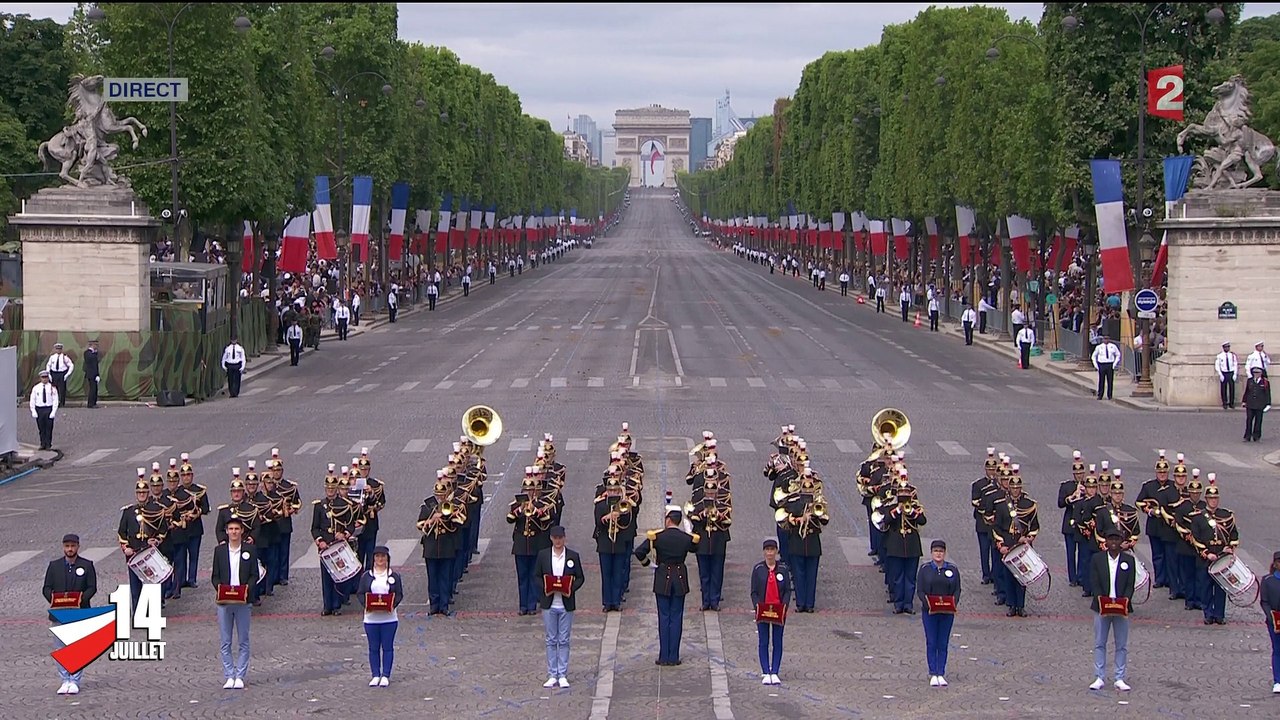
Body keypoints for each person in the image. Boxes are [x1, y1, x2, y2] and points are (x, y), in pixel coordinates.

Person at [634, 508, 699, 666]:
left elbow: (639, 552)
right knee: (676, 617)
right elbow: (695, 548)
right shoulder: (686, 538)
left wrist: (649, 564)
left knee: (664, 617)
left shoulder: (657, 537)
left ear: (668, 520)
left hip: (663, 576)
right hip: (680, 577)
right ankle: (674, 656)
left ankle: (664, 656)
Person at [43, 533, 97, 695]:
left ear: (78, 547)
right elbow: (46, 587)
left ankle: (75, 680)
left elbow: (92, 587)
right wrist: (54, 600)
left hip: (79, 612)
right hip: (59, 613)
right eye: (67, 546)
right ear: (63, 547)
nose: (70, 549)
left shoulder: (87, 565)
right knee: (61, 649)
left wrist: (79, 600)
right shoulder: (54, 566)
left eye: (73, 546)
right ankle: (64, 679)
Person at [534, 525, 585, 688]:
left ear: (564, 538)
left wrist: (569, 588)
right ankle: (552, 674)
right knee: (550, 639)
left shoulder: (573, 556)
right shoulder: (543, 555)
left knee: (563, 639)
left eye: (560, 538)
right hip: (549, 604)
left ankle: (562, 673)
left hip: (565, 604)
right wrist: (546, 588)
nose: (558, 541)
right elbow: (536, 576)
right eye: (555, 538)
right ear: (551, 539)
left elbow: (580, 578)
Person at [211, 516, 258, 689]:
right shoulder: (220, 551)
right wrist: (221, 589)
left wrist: (246, 590)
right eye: (231, 529)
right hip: (224, 601)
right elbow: (214, 576)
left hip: (243, 601)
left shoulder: (250, 550)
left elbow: (255, 574)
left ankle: (240, 675)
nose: (234, 532)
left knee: (243, 640)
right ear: (227, 532)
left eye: (236, 529)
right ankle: (229, 674)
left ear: (242, 531)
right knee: (225, 641)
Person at [1089, 531, 1136, 692]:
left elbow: (1130, 583)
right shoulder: (1097, 559)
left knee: (1121, 644)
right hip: (1102, 606)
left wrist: (1126, 599)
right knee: (1100, 642)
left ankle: (1119, 677)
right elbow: (1094, 582)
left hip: (1121, 607)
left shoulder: (1129, 560)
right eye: (1111, 539)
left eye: (1117, 539)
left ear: (1122, 542)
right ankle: (1099, 676)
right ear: (1106, 542)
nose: (1114, 542)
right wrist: (1101, 599)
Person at [357, 546, 404, 687]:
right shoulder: (367, 576)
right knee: (373, 647)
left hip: (389, 618)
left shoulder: (394, 576)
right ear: (374, 559)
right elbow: (360, 593)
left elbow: (399, 594)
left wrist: (391, 605)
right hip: (371, 618)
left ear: (387, 559)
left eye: (383, 557)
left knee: (388, 647)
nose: (380, 560)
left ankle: (386, 675)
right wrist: (367, 605)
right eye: (377, 557)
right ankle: (375, 674)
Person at [916, 539, 960, 687]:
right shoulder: (925, 569)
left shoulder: (952, 569)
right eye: (936, 551)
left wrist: (953, 603)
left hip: (947, 612)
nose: (938, 554)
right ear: (931, 553)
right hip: (930, 612)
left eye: (941, 551)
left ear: (945, 553)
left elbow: (957, 590)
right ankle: (932, 671)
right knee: (932, 641)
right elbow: (920, 590)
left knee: (943, 642)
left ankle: (941, 672)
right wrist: (928, 604)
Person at [751, 538, 792, 686]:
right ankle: (765, 670)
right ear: (764, 552)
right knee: (763, 641)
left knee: (777, 641)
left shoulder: (783, 569)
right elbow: (754, 591)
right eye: (767, 550)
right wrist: (757, 606)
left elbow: (787, 590)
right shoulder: (758, 570)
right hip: (763, 610)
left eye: (772, 550)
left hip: (778, 610)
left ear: (776, 552)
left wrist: (785, 606)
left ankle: (774, 670)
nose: (769, 553)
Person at [1260, 550, 1280, 694]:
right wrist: (1272, 617)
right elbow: (1264, 602)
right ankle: (1278, 680)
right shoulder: (1268, 580)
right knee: (1278, 650)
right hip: (1275, 620)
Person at [30, 370, 59, 450]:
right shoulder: (36, 388)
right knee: (41, 428)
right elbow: (33, 399)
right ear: (40, 378)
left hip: (48, 408)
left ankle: (48, 444)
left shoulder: (52, 388)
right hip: (39, 409)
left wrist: (53, 411)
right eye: (43, 377)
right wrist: (33, 410)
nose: (44, 379)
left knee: (49, 427)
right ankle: (42, 443)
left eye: (46, 377)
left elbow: (55, 400)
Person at [1243, 366, 1271, 442]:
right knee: (1249, 420)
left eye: (1258, 373)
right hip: (1250, 403)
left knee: (1258, 421)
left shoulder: (1265, 382)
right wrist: (1244, 401)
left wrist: (1268, 403)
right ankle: (1247, 436)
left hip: (1260, 404)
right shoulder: (1250, 381)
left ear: (1261, 373)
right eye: (1254, 372)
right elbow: (1247, 391)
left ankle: (1256, 436)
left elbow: (1267, 393)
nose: (1256, 374)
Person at [1092, 333, 1122, 400]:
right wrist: (1096, 365)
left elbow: (1118, 355)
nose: (1106, 340)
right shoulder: (1099, 347)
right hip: (1102, 364)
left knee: (1110, 381)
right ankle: (1100, 395)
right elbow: (1094, 356)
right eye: (1105, 338)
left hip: (1110, 364)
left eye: (1107, 338)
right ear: (1103, 339)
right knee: (1101, 380)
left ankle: (1110, 395)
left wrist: (1114, 364)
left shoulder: (1113, 346)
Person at [45, 342, 73, 407]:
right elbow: (48, 365)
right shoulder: (52, 357)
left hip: (61, 373)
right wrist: (48, 374)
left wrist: (67, 374)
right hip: (54, 373)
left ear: (61, 349)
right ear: (55, 349)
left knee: (62, 389)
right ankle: (54, 402)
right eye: (57, 349)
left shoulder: (64, 357)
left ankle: (62, 402)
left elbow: (71, 365)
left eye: (59, 349)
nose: (58, 350)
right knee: (54, 389)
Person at [1216, 341, 1239, 409]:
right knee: (1223, 389)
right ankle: (1224, 402)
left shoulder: (1232, 355)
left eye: (1228, 347)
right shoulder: (1220, 356)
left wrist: (1235, 374)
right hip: (1224, 373)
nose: (1227, 348)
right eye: (1226, 347)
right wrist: (1220, 374)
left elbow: (1235, 364)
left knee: (1232, 388)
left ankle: (1231, 403)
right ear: (1223, 348)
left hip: (1231, 372)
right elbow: (1217, 365)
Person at [83, 339, 101, 408]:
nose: (97, 346)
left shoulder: (94, 353)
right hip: (91, 374)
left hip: (95, 374)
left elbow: (95, 365)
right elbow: (90, 362)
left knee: (95, 389)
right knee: (92, 389)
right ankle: (90, 404)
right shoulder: (87, 353)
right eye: (96, 345)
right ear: (92, 345)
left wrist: (97, 374)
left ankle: (94, 402)